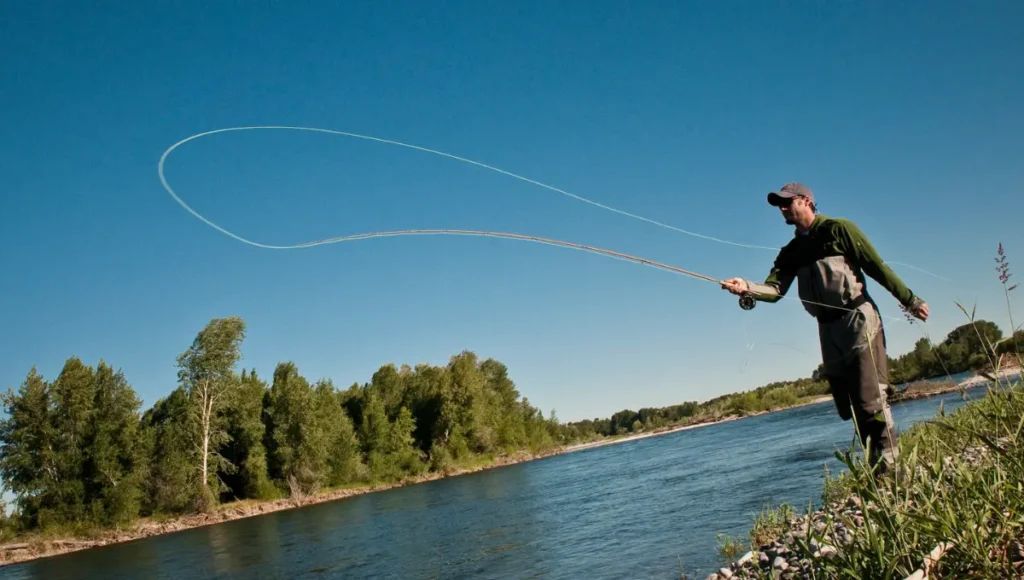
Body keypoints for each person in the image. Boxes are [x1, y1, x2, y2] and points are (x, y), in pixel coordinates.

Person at [720, 182, 929, 474]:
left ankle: (892, 477)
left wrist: (910, 300)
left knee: (871, 402)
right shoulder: (791, 251)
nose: (782, 208)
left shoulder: (840, 229)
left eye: (787, 202)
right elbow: (775, 289)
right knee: (851, 408)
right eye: (779, 204)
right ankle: (876, 471)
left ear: (806, 201)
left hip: (858, 321)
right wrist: (747, 288)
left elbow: (876, 267)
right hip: (827, 330)